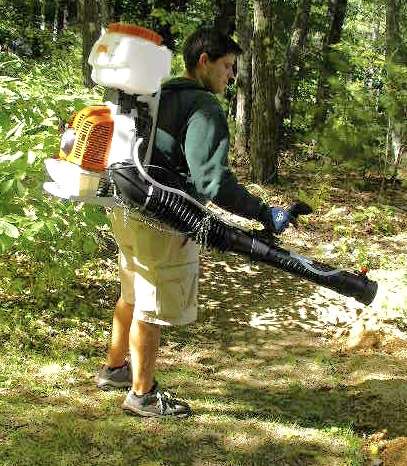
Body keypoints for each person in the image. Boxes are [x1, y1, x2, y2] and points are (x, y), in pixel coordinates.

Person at [95, 26, 293, 418]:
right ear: (204, 61)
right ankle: (143, 395)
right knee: (151, 305)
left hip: (123, 205)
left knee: (131, 290)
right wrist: (262, 211)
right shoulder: (203, 107)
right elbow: (212, 182)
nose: (231, 75)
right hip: (161, 217)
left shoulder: (156, 93)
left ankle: (115, 368)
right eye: (227, 66)